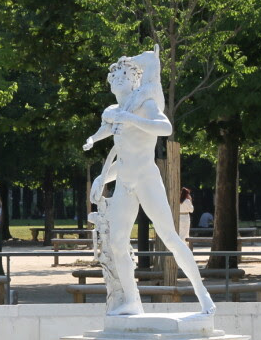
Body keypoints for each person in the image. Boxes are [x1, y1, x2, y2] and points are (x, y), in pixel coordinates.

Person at [84, 46, 215, 316]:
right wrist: (102, 178)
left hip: (146, 178)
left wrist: (128, 118)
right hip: (125, 182)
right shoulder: (112, 111)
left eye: (124, 74)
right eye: (115, 75)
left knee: (170, 236)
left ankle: (202, 295)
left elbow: (165, 128)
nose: (118, 78)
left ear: (135, 79)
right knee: (118, 241)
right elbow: (122, 159)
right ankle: (131, 299)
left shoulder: (145, 103)